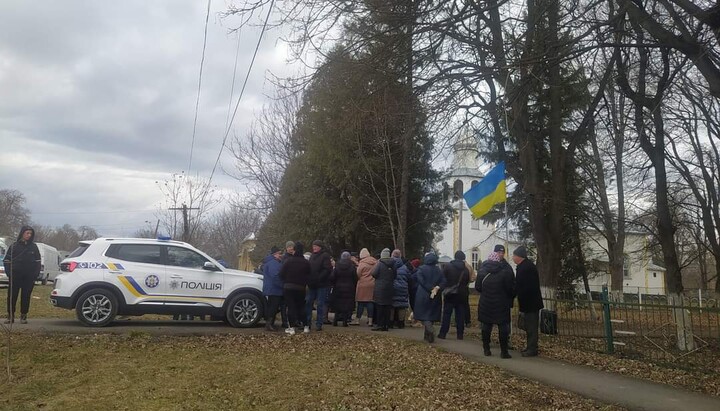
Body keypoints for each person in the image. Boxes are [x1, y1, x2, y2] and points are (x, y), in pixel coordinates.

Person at [476, 251, 515, 358]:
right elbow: (510, 289)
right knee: (503, 328)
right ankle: (504, 352)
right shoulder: (505, 272)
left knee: (486, 326)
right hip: (501, 304)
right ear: (498, 261)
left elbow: (478, 288)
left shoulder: (482, 272)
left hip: (485, 303)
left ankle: (486, 349)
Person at [3, 226, 41, 324]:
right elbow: (7, 260)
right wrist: (9, 273)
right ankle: (10, 316)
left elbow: (38, 262)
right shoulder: (14, 246)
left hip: (28, 277)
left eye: (30, 234)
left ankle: (23, 316)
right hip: (15, 276)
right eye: (27, 233)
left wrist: (35, 275)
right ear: (22, 233)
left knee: (26, 296)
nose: (29, 235)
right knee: (12, 296)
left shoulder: (33, 247)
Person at [513, 246, 544, 357]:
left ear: (519, 256)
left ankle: (532, 349)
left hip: (531, 303)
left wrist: (516, 292)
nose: (513, 258)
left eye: (514, 255)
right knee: (529, 327)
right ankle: (530, 347)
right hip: (529, 302)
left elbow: (525, 286)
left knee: (531, 327)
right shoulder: (524, 266)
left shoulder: (526, 268)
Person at [279, 242, 311, 335]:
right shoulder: (305, 262)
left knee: (291, 307)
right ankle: (306, 326)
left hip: (288, 287)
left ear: (295, 250)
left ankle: (292, 328)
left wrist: (286, 279)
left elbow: (281, 274)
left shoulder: (288, 261)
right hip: (301, 287)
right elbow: (309, 274)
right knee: (301, 306)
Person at [413, 253, 446, 342]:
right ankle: (427, 336)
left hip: (423, 294)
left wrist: (430, 288)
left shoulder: (421, 269)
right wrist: (436, 288)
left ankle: (430, 330)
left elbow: (420, 280)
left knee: (423, 315)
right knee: (431, 314)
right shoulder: (439, 270)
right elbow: (444, 282)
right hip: (435, 295)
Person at [438, 251, 470, 340]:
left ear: (455, 257)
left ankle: (443, 333)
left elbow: (443, 279)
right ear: (463, 258)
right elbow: (467, 281)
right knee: (460, 315)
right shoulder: (466, 270)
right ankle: (460, 335)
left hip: (450, 293)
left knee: (447, 314)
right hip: (462, 294)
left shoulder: (447, 267)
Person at [306, 240, 332, 332]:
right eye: (313, 246)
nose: (314, 248)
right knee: (309, 302)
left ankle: (319, 323)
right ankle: (307, 322)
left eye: (316, 246)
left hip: (321, 284)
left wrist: (319, 278)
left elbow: (327, 269)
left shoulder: (325, 256)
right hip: (312, 284)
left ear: (320, 247)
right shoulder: (312, 256)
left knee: (320, 304)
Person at [371, 248, 397, 331]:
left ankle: (380, 324)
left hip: (380, 288)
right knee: (387, 307)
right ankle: (386, 325)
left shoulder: (380, 263)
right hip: (389, 287)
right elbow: (395, 276)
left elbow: (374, 274)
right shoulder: (393, 264)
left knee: (380, 307)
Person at [261, 246, 285, 331]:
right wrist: (283, 285)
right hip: (274, 289)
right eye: (279, 253)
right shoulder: (273, 263)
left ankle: (270, 323)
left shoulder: (270, 262)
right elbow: (275, 277)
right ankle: (269, 324)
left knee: (272, 307)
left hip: (271, 289)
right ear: (274, 254)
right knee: (273, 308)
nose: (281, 255)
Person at [329, 251, 356, 326]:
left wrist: (334, 284)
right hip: (349, 288)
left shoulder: (337, 265)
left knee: (337, 304)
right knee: (346, 305)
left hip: (338, 287)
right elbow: (355, 277)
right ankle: (344, 322)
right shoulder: (352, 266)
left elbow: (332, 277)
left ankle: (335, 321)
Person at [354, 248, 377, 326]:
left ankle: (357, 320)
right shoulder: (375, 262)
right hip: (372, 284)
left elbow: (358, 274)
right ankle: (370, 321)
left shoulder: (362, 263)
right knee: (370, 302)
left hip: (363, 284)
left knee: (361, 303)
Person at [392, 256, 412, 329]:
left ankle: (391, 322)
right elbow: (409, 278)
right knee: (402, 306)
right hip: (403, 288)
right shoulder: (405, 268)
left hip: (393, 287)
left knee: (392, 305)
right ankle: (401, 323)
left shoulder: (391, 266)